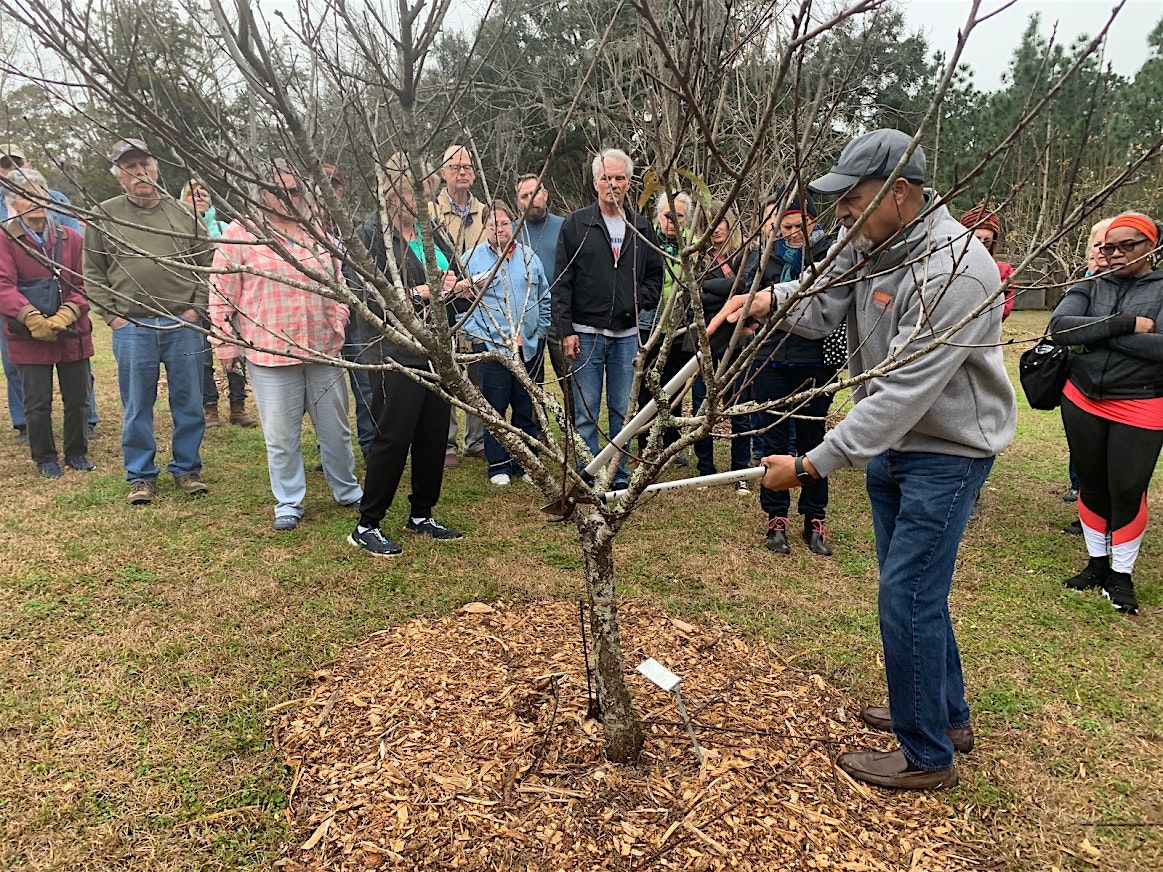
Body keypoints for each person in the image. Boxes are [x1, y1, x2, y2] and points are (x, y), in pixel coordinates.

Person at [716, 129, 1016, 790]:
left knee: (906, 595)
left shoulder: (955, 270)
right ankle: (943, 715)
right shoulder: (871, 246)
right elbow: (822, 304)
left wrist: (810, 465)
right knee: (917, 595)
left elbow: (908, 390)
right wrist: (766, 299)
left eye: (852, 199)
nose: (841, 214)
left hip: (945, 452)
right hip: (894, 447)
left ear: (901, 194)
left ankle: (926, 756)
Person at [210, 165, 362, 531]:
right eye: (278, 190)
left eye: (295, 191)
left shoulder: (320, 233)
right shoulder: (241, 235)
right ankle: (289, 501)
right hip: (268, 354)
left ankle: (348, 490)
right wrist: (224, 343)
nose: (287, 197)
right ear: (261, 191)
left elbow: (342, 285)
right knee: (280, 436)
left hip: (323, 350)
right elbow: (219, 293)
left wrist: (338, 320)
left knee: (336, 430)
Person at [85, 137, 213, 505]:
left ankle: (187, 469)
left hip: (182, 324)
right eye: (130, 167)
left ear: (157, 169)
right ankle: (141, 476)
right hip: (133, 326)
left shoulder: (183, 213)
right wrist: (113, 316)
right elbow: (93, 271)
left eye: (146, 165)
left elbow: (207, 263)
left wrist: (195, 309)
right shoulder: (104, 215)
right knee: (137, 404)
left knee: (188, 400)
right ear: (119, 177)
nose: (140, 172)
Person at [1047, 211, 1163, 615]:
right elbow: (1060, 329)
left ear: (1151, 245)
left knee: (1128, 488)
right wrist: (1126, 325)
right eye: (1107, 247)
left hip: (1142, 400)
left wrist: (1095, 335)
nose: (1115, 255)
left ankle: (1122, 573)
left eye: (1127, 245)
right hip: (1083, 398)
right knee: (1092, 482)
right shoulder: (1090, 283)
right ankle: (1097, 564)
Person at [347, 160, 464, 556]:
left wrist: (458, 287)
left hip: (435, 350)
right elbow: (370, 301)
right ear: (391, 191)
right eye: (414, 189)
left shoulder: (430, 234)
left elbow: (449, 277)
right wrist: (422, 294)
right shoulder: (370, 236)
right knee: (393, 437)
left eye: (426, 188)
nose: (422, 197)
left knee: (433, 434)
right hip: (392, 351)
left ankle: (421, 513)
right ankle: (367, 523)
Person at [553, 148, 663, 487]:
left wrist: (635, 301)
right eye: (605, 178)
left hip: (626, 335)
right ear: (594, 182)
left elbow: (655, 277)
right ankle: (587, 476)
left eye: (618, 178)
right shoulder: (577, 224)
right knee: (586, 412)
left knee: (622, 410)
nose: (612, 184)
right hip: (584, 333)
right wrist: (565, 329)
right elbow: (562, 280)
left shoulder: (642, 227)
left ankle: (618, 476)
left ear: (629, 182)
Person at [745, 191, 842, 556]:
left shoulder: (831, 256)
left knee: (814, 444)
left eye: (797, 226)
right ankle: (775, 519)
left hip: (816, 362)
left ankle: (814, 519)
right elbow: (750, 298)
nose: (790, 233)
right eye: (783, 227)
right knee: (773, 443)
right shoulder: (764, 258)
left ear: (812, 222)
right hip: (771, 359)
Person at [0, 167, 94, 477]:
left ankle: (77, 452)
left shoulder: (72, 238)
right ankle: (44, 457)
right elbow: (4, 286)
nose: (35, 200)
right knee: (37, 402)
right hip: (28, 334)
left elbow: (84, 284)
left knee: (78, 398)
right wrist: (34, 319)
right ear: (15, 203)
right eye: (26, 195)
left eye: (40, 193)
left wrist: (66, 314)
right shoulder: (4, 238)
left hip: (72, 330)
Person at [462, 200, 551, 485]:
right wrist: (482, 337)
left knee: (526, 406)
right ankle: (498, 465)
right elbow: (461, 308)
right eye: (493, 224)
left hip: (527, 346)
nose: (499, 229)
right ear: (485, 226)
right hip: (492, 350)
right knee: (495, 408)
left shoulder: (528, 257)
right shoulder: (470, 260)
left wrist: (538, 333)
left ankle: (526, 463)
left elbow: (544, 296)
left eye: (504, 223)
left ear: (513, 224)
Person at [179, 178, 257, 430]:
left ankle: (238, 406)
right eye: (193, 193)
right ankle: (209, 408)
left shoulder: (225, 228)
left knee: (234, 353)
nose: (199, 196)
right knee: (203, 359)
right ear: (183, 198)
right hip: (195, 301)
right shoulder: (178, 227)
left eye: (203, 193)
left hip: (227, 301)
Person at [688, 200, 755, 484]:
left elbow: (746, 287)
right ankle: (705, 468)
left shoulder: (747, 254)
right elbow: (694, 295)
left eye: (719, 221)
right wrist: (726, 293)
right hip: (705, 338)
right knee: (702, 405)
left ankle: (739, 469)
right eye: (708, 224)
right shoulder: (696, 258)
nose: (715, 229)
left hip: (737, 337)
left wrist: (711, 289)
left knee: (739, 405)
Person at [430, 143, 488, 467]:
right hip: (444, 304)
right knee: (446, 371)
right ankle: (447, 441)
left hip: (481, 302)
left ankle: (476, 439)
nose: (461, 172)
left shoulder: (486, 211)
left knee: (479, 370)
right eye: (454, 167)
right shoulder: (430, 213)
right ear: (443, 173)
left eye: (467, 167)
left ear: (474, 173)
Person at [636, 192, 693, 465]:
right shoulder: (645, 242)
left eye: (678, 216)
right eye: (667, 215)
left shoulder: (693, 247)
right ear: (658, 215)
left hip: (679, 329)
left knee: (673, 388)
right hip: (649, 326)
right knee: (646, 386)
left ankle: (671, 445)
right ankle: (644, 443)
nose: (671, 222)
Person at [514, 173, 568, 421]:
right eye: (525, 196)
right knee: (532, 381)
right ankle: (539, 430)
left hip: (560, 314)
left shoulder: (565, 226)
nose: (531, 199)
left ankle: (575, 429)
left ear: (545, 194)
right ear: (518, 202)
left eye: (535, 193)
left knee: (569, 378)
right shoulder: (513, 232)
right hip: (528, 317)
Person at [959, 207, 1015, 319]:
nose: (981, 244)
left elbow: (1004, 310)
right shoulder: (949, 267)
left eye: (987, 241)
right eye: (977, 238)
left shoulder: (1003, 272)